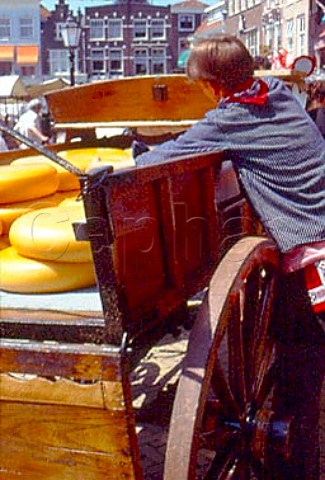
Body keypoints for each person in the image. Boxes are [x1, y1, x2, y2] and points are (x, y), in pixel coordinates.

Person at [134, 34, 325, 479]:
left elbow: (166, 157)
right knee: (304, 356)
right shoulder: (281, 97)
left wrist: (126, 160)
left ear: (213, 86)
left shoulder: (229, 118)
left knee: (302, 372)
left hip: (312, 259)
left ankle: (296, 467)